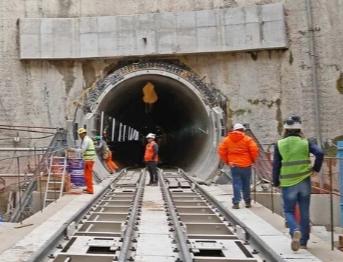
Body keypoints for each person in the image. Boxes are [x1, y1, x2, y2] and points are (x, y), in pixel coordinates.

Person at [272, 115, 324, 251]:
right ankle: (303, 242)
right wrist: (315, 169)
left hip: (288, 183)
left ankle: (295, 230)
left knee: (289, 210)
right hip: (304, 181)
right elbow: (320, 153)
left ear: (285, 130)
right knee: (305, 212)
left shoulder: (280, 144)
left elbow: (276, 165)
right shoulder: (305, 143)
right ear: (300, 129)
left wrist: (275, 181)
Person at [217, 123, 259, 209]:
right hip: (246, 165)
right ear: (243, 130)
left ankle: (236, 202)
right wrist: (252, 160)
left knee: (236, 184)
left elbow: (221, 151)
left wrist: (228, 161)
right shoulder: (247, 139)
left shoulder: (227, 140)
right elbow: (254, 150)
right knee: (246, 184)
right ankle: (247, 201)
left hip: (234, 165)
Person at [69, 128, 96, 194]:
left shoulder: (86, 140)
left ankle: (90, 190)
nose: (80, 136)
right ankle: (89, 188)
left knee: (88, 176)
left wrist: (73, 150)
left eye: (80, 134)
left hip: (89, 160)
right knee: (86, 175)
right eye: (79, 135)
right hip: (89, 160)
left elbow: (82, 150)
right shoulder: (86, 139)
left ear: (84, 133)